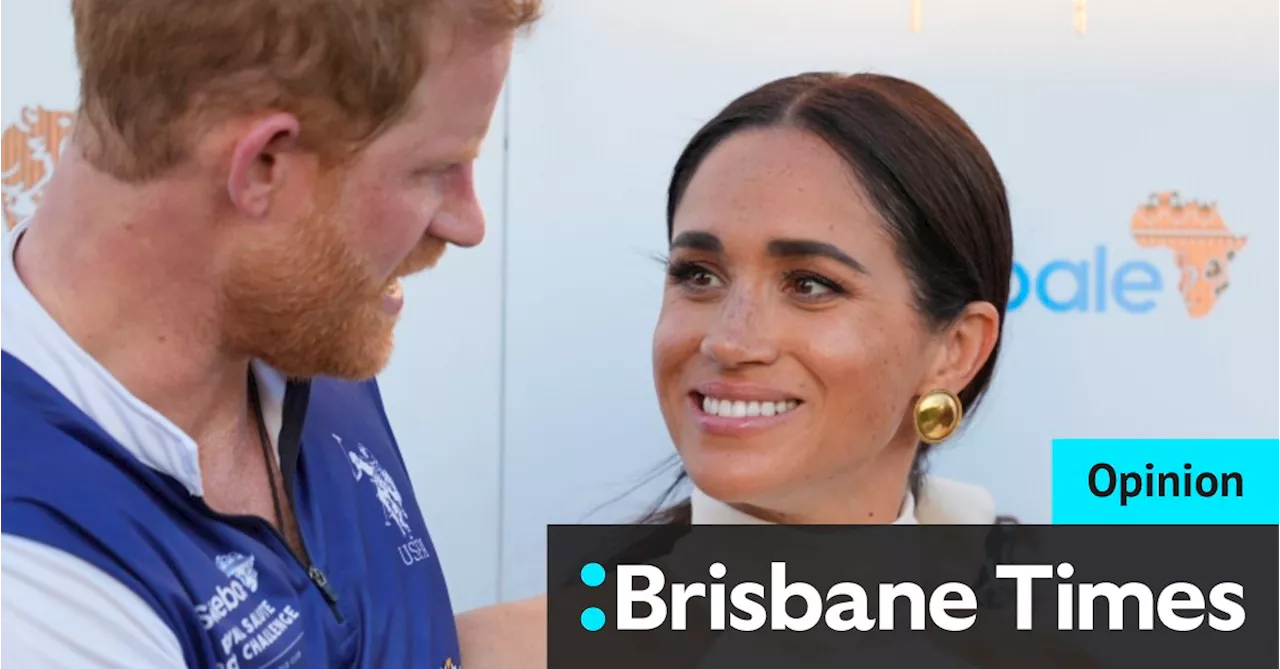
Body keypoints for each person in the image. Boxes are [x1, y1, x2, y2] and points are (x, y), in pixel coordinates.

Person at [0, 0, 539, 667]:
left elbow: (404, 644)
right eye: (436, 170)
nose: (467, 221)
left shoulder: (290, 317)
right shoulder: (36, 595)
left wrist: (693, 600)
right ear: (264, 166)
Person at [454, 71, 1042, 667]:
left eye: (810, 284)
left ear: (957, 350)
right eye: (698, 275)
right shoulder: (502, 655)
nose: (729, 341)